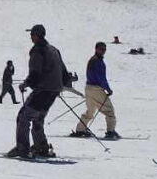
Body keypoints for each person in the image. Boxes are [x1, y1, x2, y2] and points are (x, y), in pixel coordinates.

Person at [7, 24, 70, 158]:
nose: (31, 37)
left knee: (23, 117)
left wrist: (26, 84)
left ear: (37, 35)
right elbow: (64, 72)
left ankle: (22, 149)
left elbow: (35, 73)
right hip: (54, 90)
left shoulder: (38, 50)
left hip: (43, 90)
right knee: (38, 117)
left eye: (32, 34)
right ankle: (41, 147)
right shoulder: (54, 49)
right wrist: (61, 85)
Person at [75, 41, 118, 139]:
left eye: (104, 49)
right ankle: (111, 131)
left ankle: (80, 129)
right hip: (96, 88)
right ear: (96, 49)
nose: (103, 51)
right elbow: (101, 78)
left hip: (88, 88)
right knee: (109, 111)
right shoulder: (99, 62)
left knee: (90, 111)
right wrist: (108, 89)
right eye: (101, 49)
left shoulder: (92, 60)